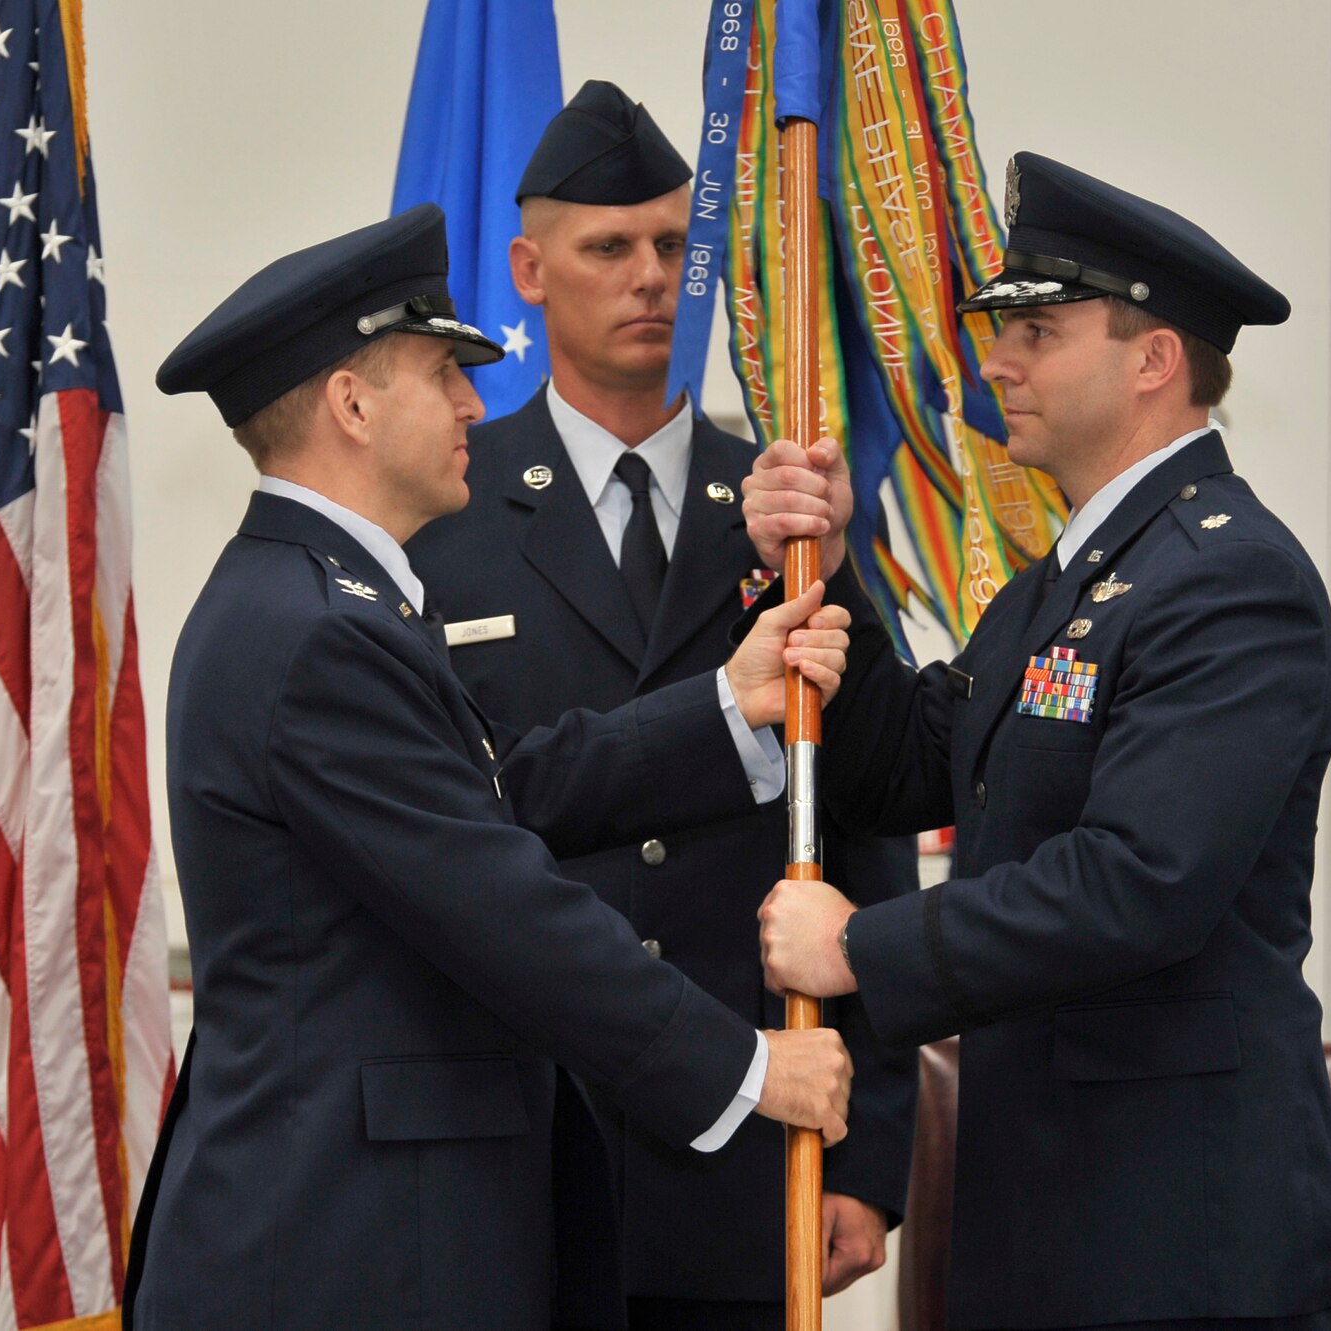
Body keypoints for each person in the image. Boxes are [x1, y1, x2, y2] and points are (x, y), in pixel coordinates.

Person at [126, 202, 861, 1331]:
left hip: (369, 1231)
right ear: (353, 403)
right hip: (342, 1245)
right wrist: (745, 1064)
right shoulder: (317, 627)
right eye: (442, 373)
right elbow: (494, 898)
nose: (476, 400)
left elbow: (496, 793)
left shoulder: (320, 601)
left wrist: (728, 702)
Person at [746, 154, 1331, 1330]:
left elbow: (1139, 881)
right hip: (1052, 1220)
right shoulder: (1070, 577)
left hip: (1181, 1244)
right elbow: (908, 762)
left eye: (1036, 330)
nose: (995, 361)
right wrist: (829, 572)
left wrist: (860, 949)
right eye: (1000, 330)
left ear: (1153, 359)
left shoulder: (1226, 578)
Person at [407, 80, 917, 1331]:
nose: (648, 277)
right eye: (607, 248)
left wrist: (870, 1156)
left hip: (744, 1154)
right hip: (521, 1140)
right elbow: (446, 820)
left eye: (675, 246)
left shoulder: (786, 506)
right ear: (528, 268)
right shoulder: (446, 518)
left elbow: (862, 820)